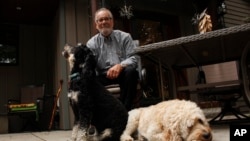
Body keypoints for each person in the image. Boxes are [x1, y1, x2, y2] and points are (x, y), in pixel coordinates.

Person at [86, 8, 139, 110]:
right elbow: (89, 65)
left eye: (107, 19)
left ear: (112, 22)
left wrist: (120, 65)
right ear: (96, 24)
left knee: (131, 72)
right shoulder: (91, 43)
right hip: (103, 76)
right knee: (88, 81)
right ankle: (102, 115)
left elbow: (134, 58)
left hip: (122, 73)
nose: (104, 22)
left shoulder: (125, 37)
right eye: (100, 20)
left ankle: (124, 109)